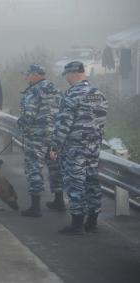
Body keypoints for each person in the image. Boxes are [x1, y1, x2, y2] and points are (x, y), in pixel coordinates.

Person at [50, 61, 108, 235]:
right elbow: (101, 122)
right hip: (93, 148)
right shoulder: (98, 94)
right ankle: (92, 220)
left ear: (73, 74)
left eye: (67, 75)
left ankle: (76, 224)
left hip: (75, 148)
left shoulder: (71, 95)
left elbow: (63, 124)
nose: (66, 79)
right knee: (92, 182)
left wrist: (55, 146)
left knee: (75, 183)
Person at [17, 64, 64, 218]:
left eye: (27, 74)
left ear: (35, 75)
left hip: (37, 136)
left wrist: (21, 126)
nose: (25, 77)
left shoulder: (34, 91)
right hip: (55, 136)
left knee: (34, 168)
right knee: (55, 167)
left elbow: (29, 115)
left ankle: (35, 207)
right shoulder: (55, 89)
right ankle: (59, 200)